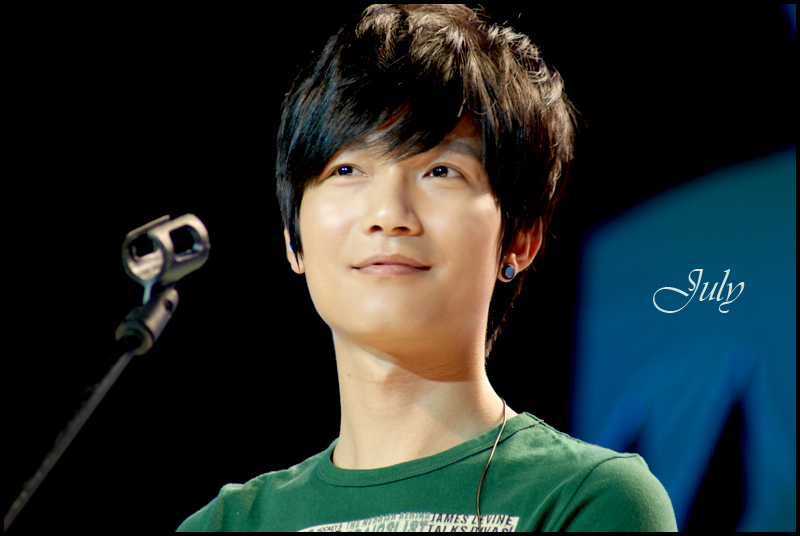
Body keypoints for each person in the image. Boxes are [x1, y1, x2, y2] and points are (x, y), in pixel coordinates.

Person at [178, 4, 677, 531]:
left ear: (521, 238)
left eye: (441, 170)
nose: (388, 214)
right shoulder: (228, 524)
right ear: (292, 237)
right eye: (346, 169)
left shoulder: (587, 500)